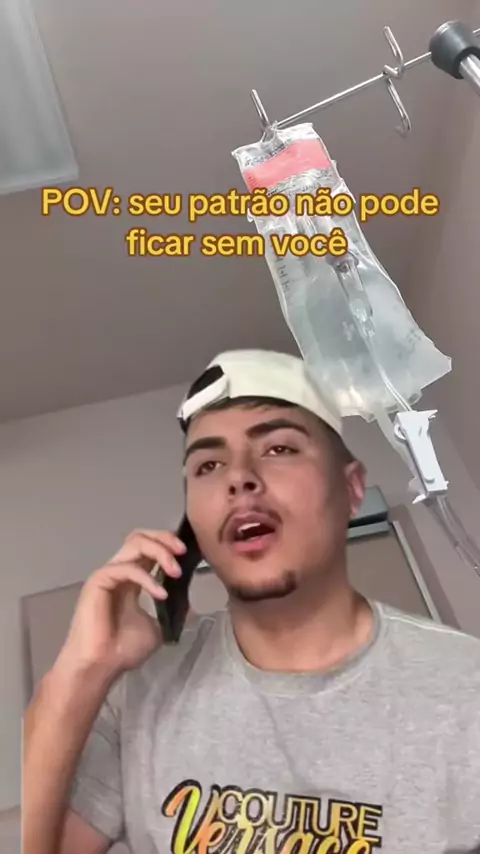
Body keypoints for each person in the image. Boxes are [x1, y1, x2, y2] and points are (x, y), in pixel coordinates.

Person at [24, 350, 480, 854]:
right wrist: (80, 671)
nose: (238, 477)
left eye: (279, 448)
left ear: (352, 489)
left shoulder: (466, 687)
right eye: (208, 465)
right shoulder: (141, 693)